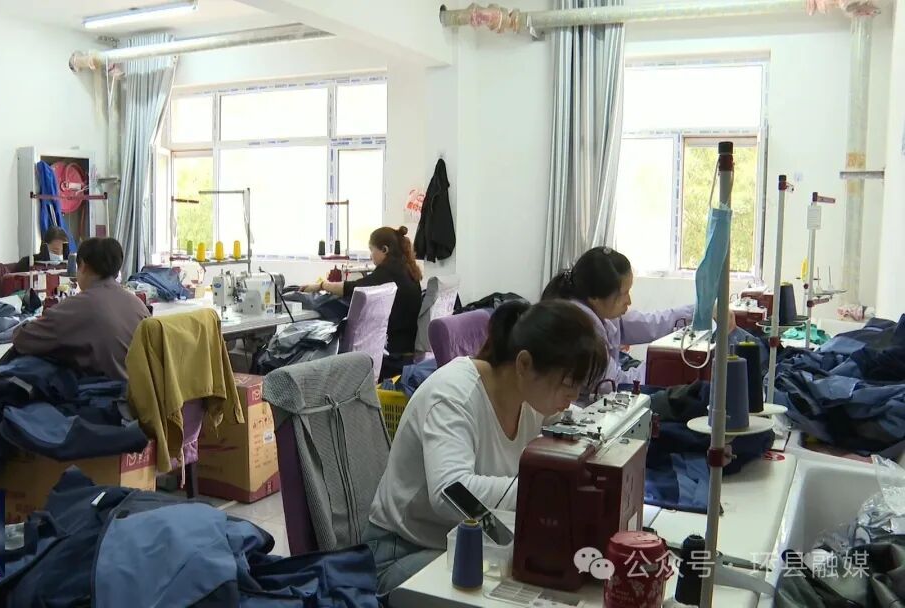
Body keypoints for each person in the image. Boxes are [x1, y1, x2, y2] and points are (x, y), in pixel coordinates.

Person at [366, 299, 608, 594]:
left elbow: (585, 425)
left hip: (475, 537)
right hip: (403, 551)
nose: (572, 397)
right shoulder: (454, 395)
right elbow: (451, 492)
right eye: (568, 383)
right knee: (516, 592)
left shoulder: (532, 397)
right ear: (524, 364)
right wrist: (545, 491)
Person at [541, 246, 734, 389]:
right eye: (623, 294)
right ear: (595, 297)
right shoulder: (578, 331)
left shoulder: (601, 310)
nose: (629, 301)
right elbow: (616, 385)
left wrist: (702, 311)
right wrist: (666, 364)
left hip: (618, 374)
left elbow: (651, 323)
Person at [12, 237, 149, 380]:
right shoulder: (138, 305)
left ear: (82, 265)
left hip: (102, 391)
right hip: (140, 390)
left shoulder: (76, 307)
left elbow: (23, 339)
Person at [301, 226, 423, 378]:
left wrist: (322, 285)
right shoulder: (408, 269)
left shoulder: (388, 271)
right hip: (406, 349)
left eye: (372, 250)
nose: (371, 256)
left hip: (393, 354)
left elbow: (353, 288)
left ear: (384, 250)